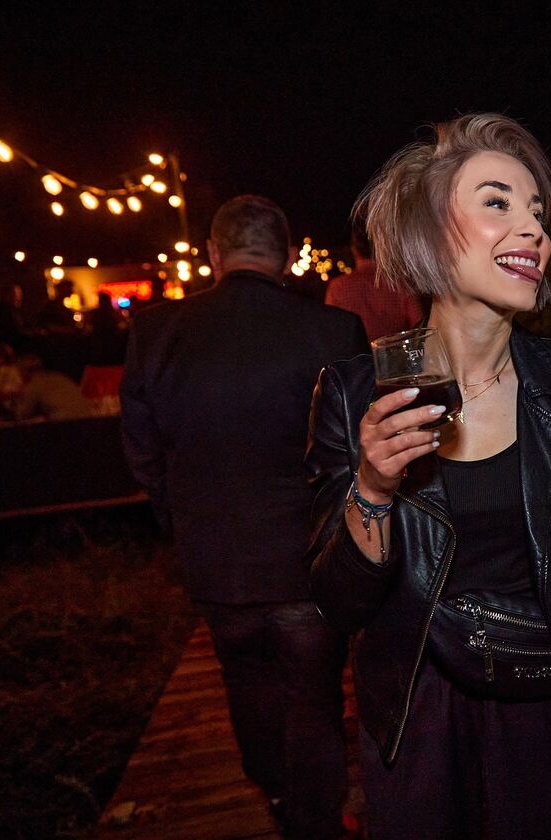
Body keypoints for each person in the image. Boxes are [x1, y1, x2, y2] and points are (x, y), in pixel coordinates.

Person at [306, 113, 551, 840]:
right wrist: (373, 487)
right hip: (415, 723)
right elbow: (336, 602)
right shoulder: (356, 395)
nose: (534, 229)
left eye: (537, 212)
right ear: (428, 232)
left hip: (543, 713)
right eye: (497, 202)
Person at [120, 195, 367, 839]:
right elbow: (356, 454)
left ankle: (278, 795)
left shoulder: (156, 332)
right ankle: (317, 818)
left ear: (213, 253)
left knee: (246, 682)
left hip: (216, 556)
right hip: (305, 559)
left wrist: (181, 520)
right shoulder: (333, 331)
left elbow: (142, 452)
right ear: (285, 257)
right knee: (314, 692)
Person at [324, 220, 423, 340]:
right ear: (381, 247)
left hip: (355, 351)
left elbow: (331, 330)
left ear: (354, 249)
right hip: (393, 350)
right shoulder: (399, 283)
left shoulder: (337, 287)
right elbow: (419, 324)